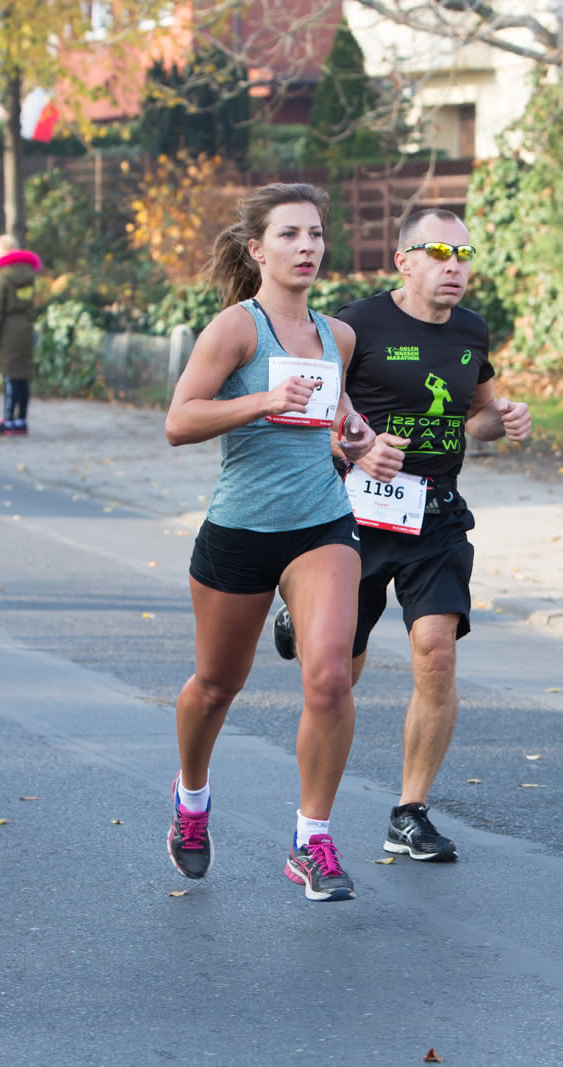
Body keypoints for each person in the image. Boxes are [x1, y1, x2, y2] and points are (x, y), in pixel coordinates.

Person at [271, 208, 531, 862]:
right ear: (403, 260)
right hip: (353, 516)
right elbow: (304, 407)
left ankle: (409, 811)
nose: (454, 266)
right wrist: (354, 449)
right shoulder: (355, 325)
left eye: (464, 255)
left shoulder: (471, 331)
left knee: (436, 653)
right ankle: (298, 612)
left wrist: (505, 418)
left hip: (435, 516)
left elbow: (477, 418)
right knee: (335, 675)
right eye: (439, 251)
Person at [163, 182, 376, 901]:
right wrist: (259, 400)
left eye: (316, 233)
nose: (307, 247)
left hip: (321, 522)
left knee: (330, 675)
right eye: (290, 235)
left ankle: (311, 838)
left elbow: (338, 423)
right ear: (258, 249)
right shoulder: (236, 329)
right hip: (241, 531)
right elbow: (179, 420)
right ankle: (192, 802)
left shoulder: (337, 336)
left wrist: (362, 440)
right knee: (216, 686)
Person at [0, 234, 41, 436]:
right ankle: (21, 420)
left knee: (9, 377)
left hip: (8, 332)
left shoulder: (3, 277)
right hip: (25, 330)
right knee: (23, 376)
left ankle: (7, 420)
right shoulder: (30, 276)